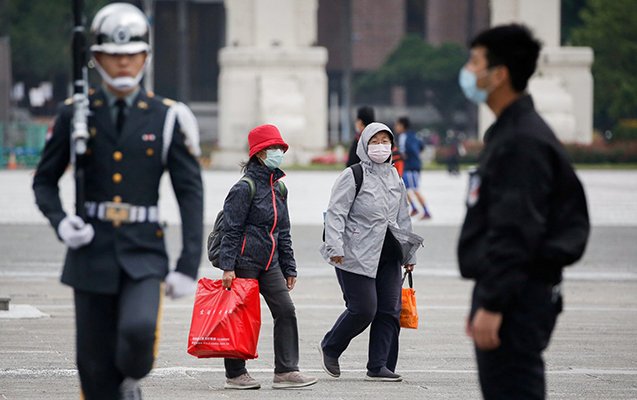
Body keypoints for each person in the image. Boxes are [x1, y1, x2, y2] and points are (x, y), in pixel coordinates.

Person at [32, 3, 203, 399]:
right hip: (90, 253)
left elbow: (189, 193)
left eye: (131, 55)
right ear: (96, 58)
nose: (123, 63)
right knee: (93, 372)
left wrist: (187, 264)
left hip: (144, 252)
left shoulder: (167, 117)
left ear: (145, 57)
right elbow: (44, 182)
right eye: (113, 55)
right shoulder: (75, 112)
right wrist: (60, 221)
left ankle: (131, 378)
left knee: (139, 332)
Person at [457, 24, 590, 399]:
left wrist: (493, 304)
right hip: (513, 289)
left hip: (516, 298)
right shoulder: (510, 132)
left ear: (499, 75)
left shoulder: (521, 142)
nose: (468, 71)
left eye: (475, 62)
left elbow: (515, 229)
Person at [319, 122, 424, 382]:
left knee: (389, 309)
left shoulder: (395, 178)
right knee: (364, 309)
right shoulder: (352, 175)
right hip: (353, 254)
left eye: (385, 141)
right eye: (374, 141)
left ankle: (379, 366)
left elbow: (403, 219)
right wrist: (335, 247)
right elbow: (335, 213)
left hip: (388, 254)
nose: (380, 146)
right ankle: (331, 346)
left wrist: (409, 255)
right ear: (364, 145)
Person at [217, 124, 317, 390]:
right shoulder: (244, 188)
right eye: (273, 148)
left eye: (280, 148)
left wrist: (289, 267)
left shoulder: (279, 189)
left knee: (286, 310)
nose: (278, 152)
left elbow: (283, 230)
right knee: (241, 318)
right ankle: (235, 374)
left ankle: (285, 371)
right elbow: (231, 229)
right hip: (243, 264)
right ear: (259, 153)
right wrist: (228, 266)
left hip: (270, 264)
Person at [394, 116, 432, 219]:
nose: (396, 127)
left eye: (397, 125)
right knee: (405, 188)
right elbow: (421, 146)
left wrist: (406, 156)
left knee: (414, 189)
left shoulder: (403, 136)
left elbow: (403, 152)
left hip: (410, 167)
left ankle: (426, 211)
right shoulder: (414, 135)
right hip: (414, 165)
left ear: (402, 125)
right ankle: (414, 208)